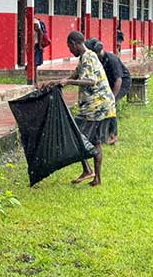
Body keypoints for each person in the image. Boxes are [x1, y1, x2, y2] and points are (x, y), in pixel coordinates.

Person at [40, 31, 116, 186]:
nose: (70, 51)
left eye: (69, 47)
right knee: (94, 141)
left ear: (74, 44)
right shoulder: (85, 57)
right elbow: (74, 76)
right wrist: (54, 82)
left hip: (96, 106)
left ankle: (88, 170)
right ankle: (97, 178)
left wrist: (68, 83)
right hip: (100, 106)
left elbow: (90, 81)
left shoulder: (88, 57)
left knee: (75, 135)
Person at [85, 38, 131, 144]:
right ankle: (101, 134)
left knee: (111, 106)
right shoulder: (97, 61)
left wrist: (112, 97)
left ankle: (113, 135)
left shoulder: (111, 59)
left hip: (122, 83)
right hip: (109, 83)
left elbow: (118, 79)